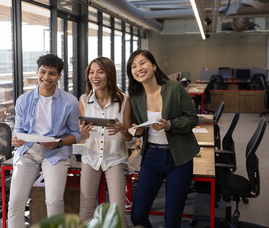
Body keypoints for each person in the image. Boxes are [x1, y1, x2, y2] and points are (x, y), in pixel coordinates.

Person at [127, 50, 200, 228]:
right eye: (133, 66)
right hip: (152, 156)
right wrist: (135, 130)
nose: (138, 68)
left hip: (179, 158)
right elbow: (137, 128)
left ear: (153, 66)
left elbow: (192, 119)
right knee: (137, 216)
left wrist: (169, 125)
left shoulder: (174, 89)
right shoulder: (135, 98)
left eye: (142, 63)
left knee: (172, 219)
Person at [8, 54, 81, 227]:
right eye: (43, 72)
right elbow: (18, 128)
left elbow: (76, 134)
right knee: (15, 203)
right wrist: (16, 138)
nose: (46, 77)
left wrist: (60, 142)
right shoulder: (23, 100)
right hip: (28, 153)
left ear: (58, 76)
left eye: (52, 73)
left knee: (54, 201)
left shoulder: (69, 102)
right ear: (37, 71)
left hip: (56, 152)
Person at [78, 57, 132, 227]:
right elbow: (83, 138)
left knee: (118, 213)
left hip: (115, 158)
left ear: (109, 75)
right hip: (91, 158)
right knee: (85, 212)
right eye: (92, 72)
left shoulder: (124, 99)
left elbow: (129, 138)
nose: (95, 76)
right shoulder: (84, 100)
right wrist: (83, 134)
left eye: (100, 72)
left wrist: (122, 129)